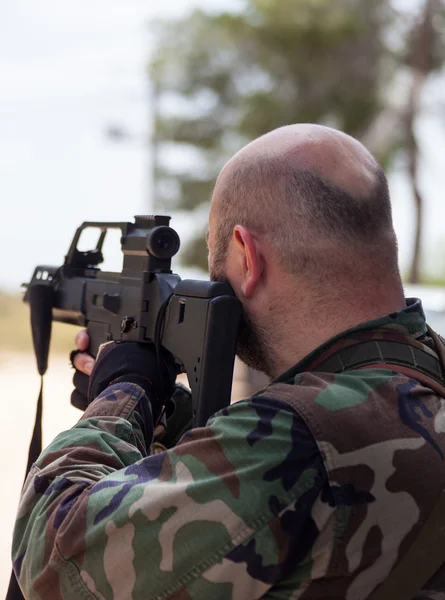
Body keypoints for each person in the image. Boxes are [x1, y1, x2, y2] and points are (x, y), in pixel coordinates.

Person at [12, 124, 445, 600]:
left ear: (247, 253)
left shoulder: (299, 438)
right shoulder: (423, 374)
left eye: (217, 260)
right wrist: (167, 414)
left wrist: (122, 393)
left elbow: (53, 560)